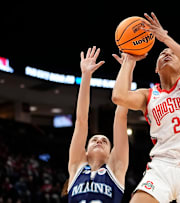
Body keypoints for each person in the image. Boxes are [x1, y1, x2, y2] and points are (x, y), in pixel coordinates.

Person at [112, 12, 180, 203]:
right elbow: (119, 96)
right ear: (156, 69)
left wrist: (165, 39)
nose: (166, 53)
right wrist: (129, 62)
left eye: (172, 54)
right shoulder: (148, 95)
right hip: (162, 166)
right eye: (162, 53)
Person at [65, 46, 130, 203]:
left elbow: (121, 116)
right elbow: (81, 121)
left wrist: (127, 70)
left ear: (110, 154)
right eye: (94, 139)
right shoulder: (76, 166)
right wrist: (86, 75)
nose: (99, 141)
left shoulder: (116, 169)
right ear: (85, 151)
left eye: (104, 141)